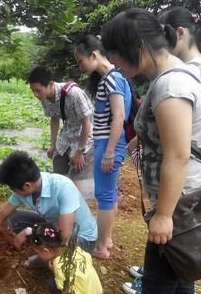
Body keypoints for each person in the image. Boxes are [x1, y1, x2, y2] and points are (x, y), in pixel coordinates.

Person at [102, 8, 201, 294]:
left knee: (158, 285)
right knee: (181, 277)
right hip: (185, 202)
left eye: (115, 53)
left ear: (138, 47)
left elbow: (177, 155)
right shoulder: (170, 76)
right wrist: (141, 141)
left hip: (178, 207)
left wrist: (163, 216)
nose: (113, 62)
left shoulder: (171, 85)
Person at [0, 151, 97, 266]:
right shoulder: (28, 188)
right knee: (14, 218)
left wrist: (30, 232)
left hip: (80, 238)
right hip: (53, 226)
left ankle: (48, 257)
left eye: (13, 189)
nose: (14, 192)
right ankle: (45, 252)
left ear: (27, 186)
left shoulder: (63, 188)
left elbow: (63, 236)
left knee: (57, 273)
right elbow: (1, 214)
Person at [74, 35, 132, 260]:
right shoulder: (115, 77)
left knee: (105, 196)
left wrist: (108, 152)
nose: (80, 67)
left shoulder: (111, 78)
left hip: (109, 144)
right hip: (110, 143)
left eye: (80, 61)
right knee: (109, 195)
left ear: (94, 55)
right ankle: (106, 239)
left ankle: (100, 246)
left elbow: (119, 116)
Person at [27, 66, 95, 198]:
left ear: (50, 84)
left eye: (38, 90)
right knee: (58, 176)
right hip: (65, 137)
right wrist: (53, 145)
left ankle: (75, 210)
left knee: (76, 178)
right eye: (33, 91)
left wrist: (80, 151)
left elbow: (87, 123)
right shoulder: (45, 97)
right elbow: (54, 118)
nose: (36, 94)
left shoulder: (74, 94)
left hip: (83, 138)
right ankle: (61, 207)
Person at [26, 222, 103, 294]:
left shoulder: (60, 268)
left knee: (52, 283)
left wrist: (55, 272)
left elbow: (65, 290)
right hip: (96, 289)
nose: (38, 255)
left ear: (46, 251)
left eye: (38, 252)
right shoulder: (75, 249)